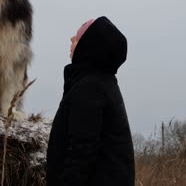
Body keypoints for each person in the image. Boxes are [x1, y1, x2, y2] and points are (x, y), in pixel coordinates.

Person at [46, 16, 135, 186]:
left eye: (77, 37)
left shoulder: (90, 88)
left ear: (88, 46)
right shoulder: (100, 82)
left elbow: (81, 151)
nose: (71, 39)